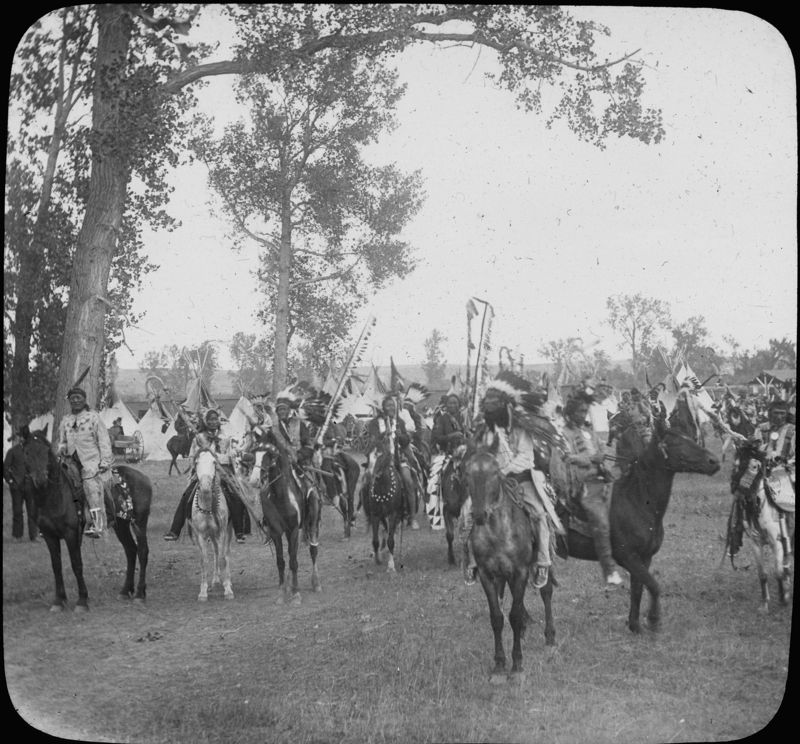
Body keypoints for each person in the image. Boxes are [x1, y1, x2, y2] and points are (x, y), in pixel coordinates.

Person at [462, 374, 562, 589]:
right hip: (490, 481)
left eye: (493, 401)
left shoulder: (520, 427)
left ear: (505, 404)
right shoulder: (484, 429)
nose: (489, 405)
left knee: (539, 514)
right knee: (469, 511)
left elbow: (525, 457)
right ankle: (472, 561)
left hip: (521, 479)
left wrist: (504, 471)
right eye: (487, 401)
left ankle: (543, 561)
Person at [561, 391, 624, 587]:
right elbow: (568, 457)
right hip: (583, 484)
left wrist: (601, 455)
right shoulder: (565, 434)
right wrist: (591, 459)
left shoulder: (589, 430)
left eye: (585, 411)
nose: (584, 414)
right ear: (570, 413)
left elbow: (601, 448)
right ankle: (609, 569)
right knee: (600, 519)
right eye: (580, 411)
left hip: (602, 478)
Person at [163, 408, 250, 543]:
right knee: (187, 496)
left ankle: (239, 531)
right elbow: (192, 457)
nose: (213, 422)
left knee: (235, 496)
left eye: (215, 419)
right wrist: (203, 456)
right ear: (205, 421)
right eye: (210, 419)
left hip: (222, 473)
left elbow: (230, 456)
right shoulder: (199, 438)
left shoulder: (225, 437)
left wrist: (220, 458)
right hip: (204, 472)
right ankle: (175, 531)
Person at [56, 386, 115, 537]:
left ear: (84, 400)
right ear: (69, 401)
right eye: (72, 398)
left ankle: (98, 525)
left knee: (91, 488)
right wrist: (61, 448)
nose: (75, 400)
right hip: (70, 462)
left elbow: (104, 441)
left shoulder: (93, 418)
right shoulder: (66, 420)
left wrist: (105, 462)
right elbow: (62, 441)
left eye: (78, 398)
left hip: (91, 461)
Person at [365, 394, 421, 530]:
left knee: (408, 480)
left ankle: (412, 517)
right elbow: (373, 441)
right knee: (366, 480)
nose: (392, 408)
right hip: (380, 459)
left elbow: (406, 441)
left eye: (394, 406)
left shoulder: (399, 422)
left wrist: (401, 436)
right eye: (389, 405)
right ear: (383, 407)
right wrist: (385, 435)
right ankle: (370, 514)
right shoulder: (374, 423)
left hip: (397, 457)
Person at [426, 393, 468, 529]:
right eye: (450, 403)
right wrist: (452, 436)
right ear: (446, 405)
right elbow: (436, 437)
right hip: (446, 454)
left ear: (459, 405)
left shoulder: (464, 418)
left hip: (464, 454)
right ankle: (437, 506)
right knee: (434, 480)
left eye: (455, 403)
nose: (453, 405)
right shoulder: (442, 419)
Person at [3, 427, 37, 541]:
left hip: (30, 486)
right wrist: (10, 481)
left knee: (32, 511)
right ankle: (17, 536)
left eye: (21, 436)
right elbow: (5, 467)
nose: (20, 438)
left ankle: (34, 536)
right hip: (17, 486)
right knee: (17, 511)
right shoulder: (12, 451)